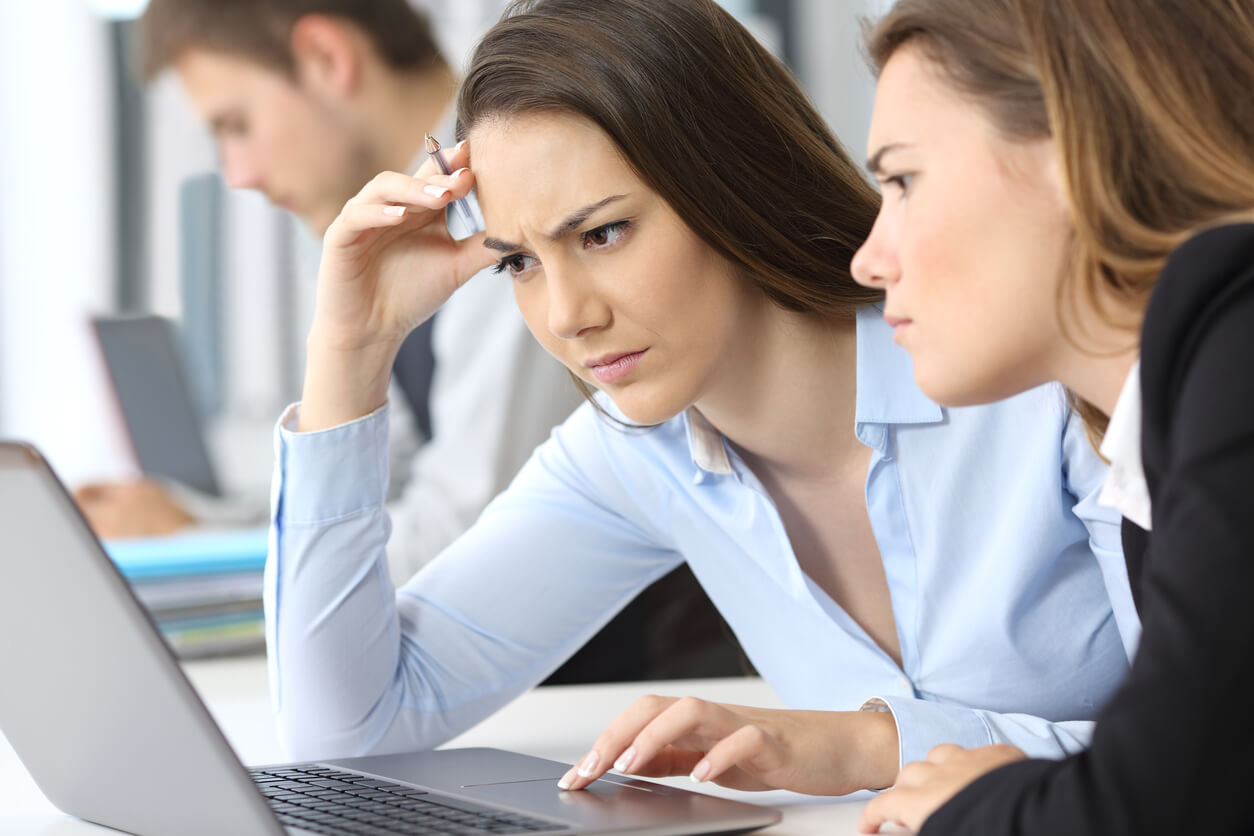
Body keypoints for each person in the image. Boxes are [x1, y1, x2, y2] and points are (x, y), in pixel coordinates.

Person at [268, 0, 1138, 797]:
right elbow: (346, 726)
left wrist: (868, 747)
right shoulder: (630, 453)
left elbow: (1212, 752)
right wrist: (353, 344)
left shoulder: (1035, 381)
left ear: (729, 185)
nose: (568, 317)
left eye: (604, 233)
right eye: (518, 263)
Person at [825, 0, 1254, 832]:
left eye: (904, 179)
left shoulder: (1238, 339)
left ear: (1078, 149)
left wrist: (976, 807)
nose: (869, 260)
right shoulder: (1163, 437)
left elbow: (1163, 803)